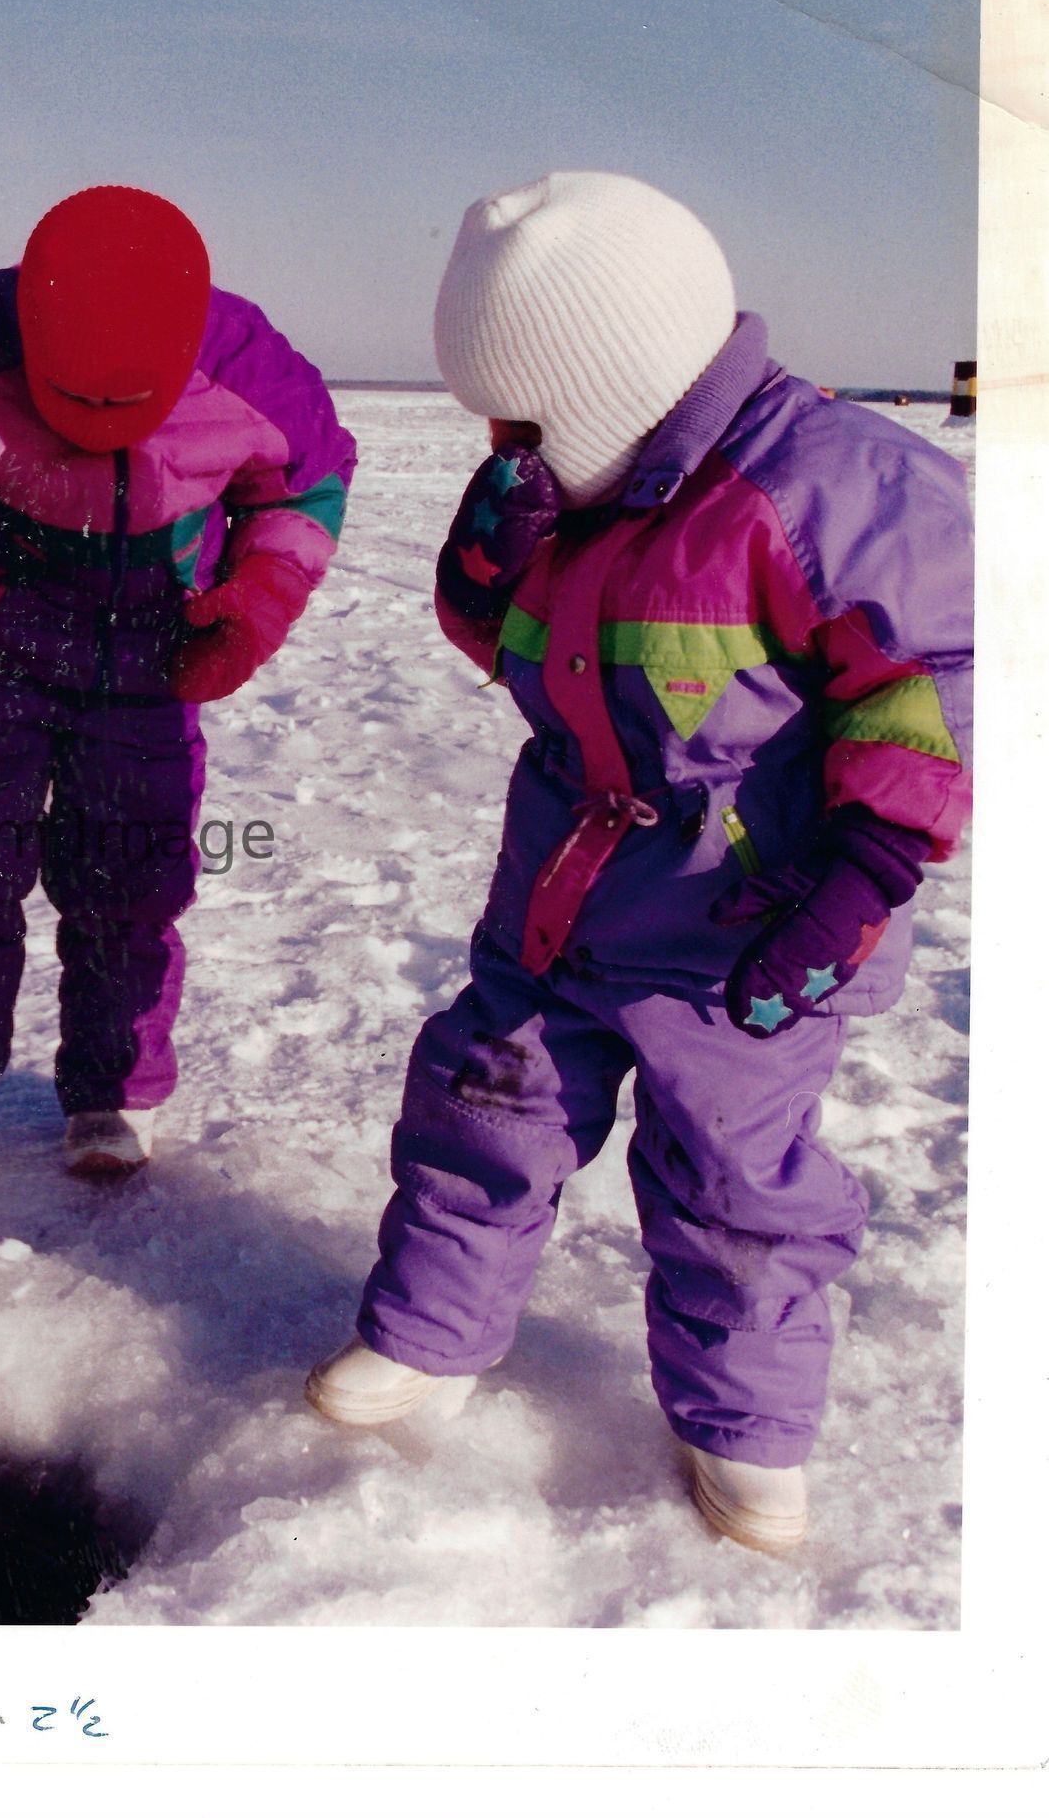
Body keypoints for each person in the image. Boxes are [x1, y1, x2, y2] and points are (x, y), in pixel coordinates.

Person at [304, 172, 974, 1553]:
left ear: (605, 385)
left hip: (749, 926)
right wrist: (483, 567)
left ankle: (743, 1427)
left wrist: (858, 875)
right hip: (560, 897)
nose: (498, 448)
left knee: (729, 1180)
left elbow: (936, 687)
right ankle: (430, 1335)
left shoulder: (835, 487)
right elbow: (507, 651)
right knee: (482, 1107)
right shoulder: (570, 492)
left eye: (518, 422)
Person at [0, 186, 355, 1175]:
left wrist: (263, 593)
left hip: (154, 655)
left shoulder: (248, 366)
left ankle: (113, 1088)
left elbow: (303, 487)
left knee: (129, 875)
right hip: (0, 640)